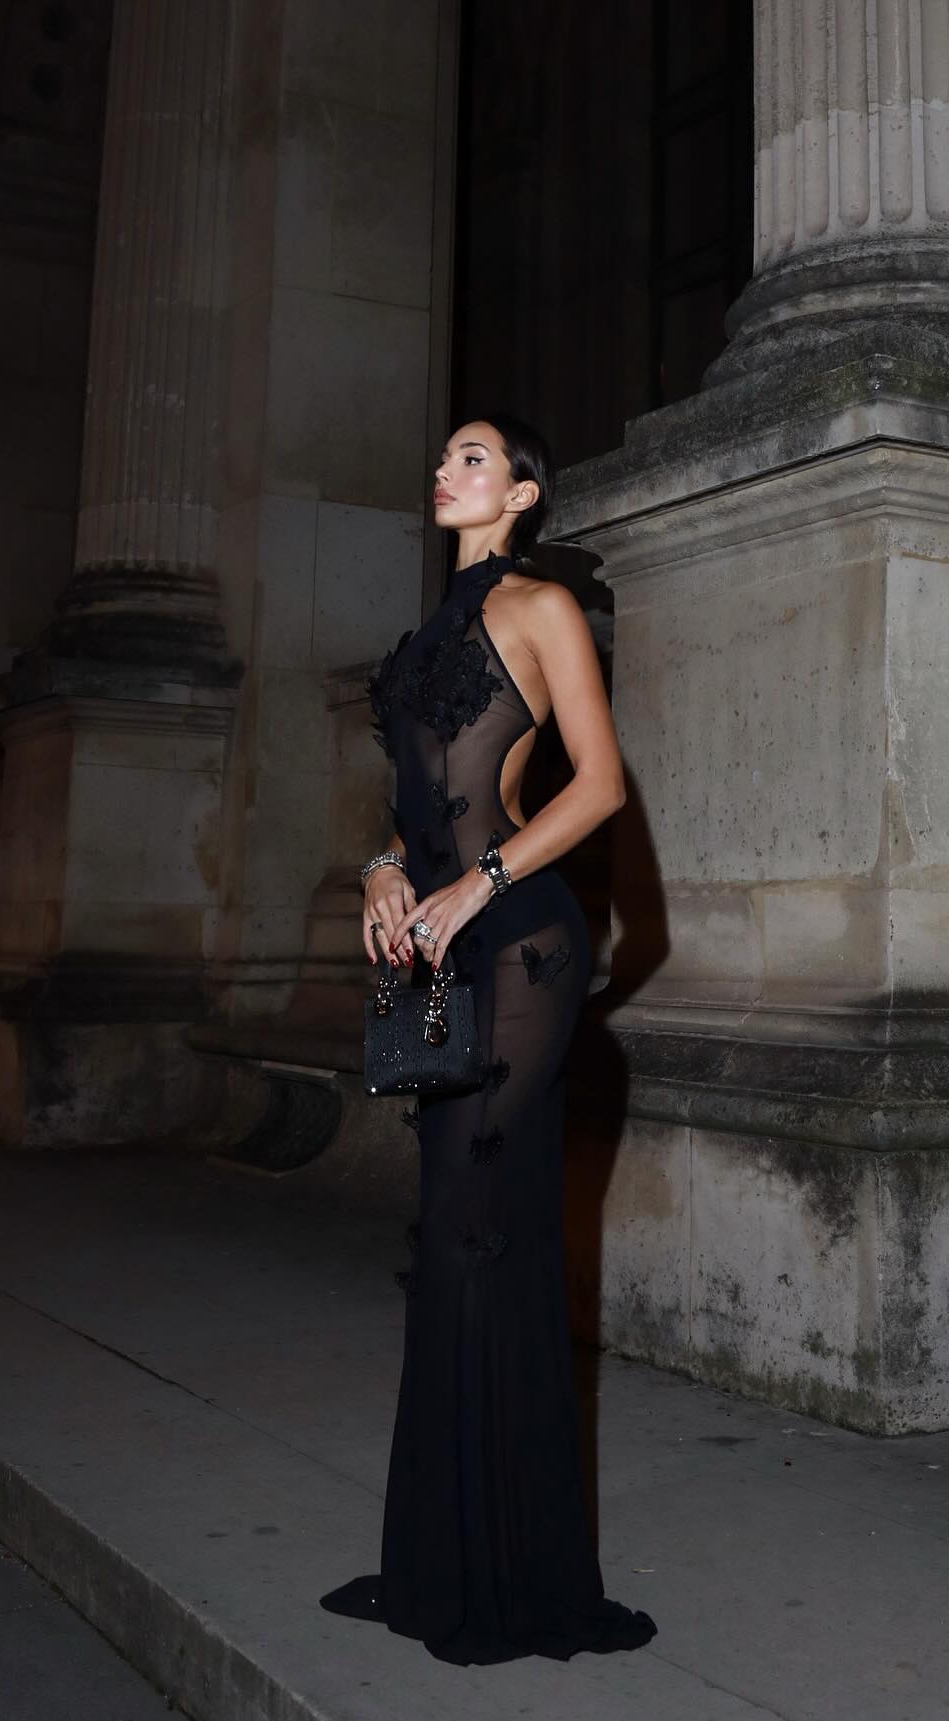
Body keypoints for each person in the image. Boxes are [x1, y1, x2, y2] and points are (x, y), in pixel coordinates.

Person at [319, 414, 658, 1665]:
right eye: (448, 455)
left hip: (520, 944)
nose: (448, 469)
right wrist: (382, 868)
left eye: (476, 457)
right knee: (447, 1238)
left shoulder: (542, 605)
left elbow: (599, 783)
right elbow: (417, 804)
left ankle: (512, 1576)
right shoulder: (428, 637)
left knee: (475, 1235)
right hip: (441, 942)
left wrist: (480, 880)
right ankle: (441, 1557)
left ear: (520, 494)